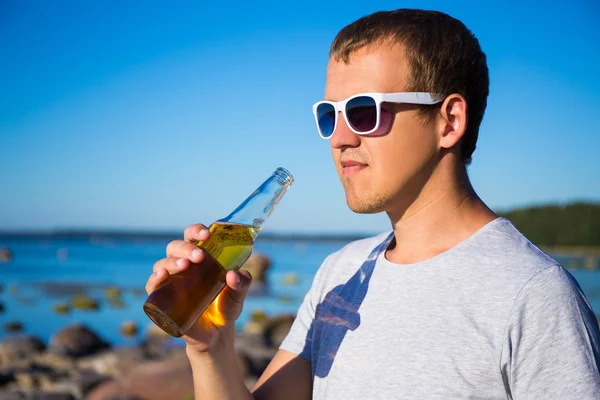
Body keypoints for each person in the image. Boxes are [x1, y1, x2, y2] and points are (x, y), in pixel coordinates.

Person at [145, 8, 600, 399]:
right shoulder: (340, 273)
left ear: (449, 121)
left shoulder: (534, 296)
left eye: (365, 110)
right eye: (329, 115)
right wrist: (211, 349)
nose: (340, 138)